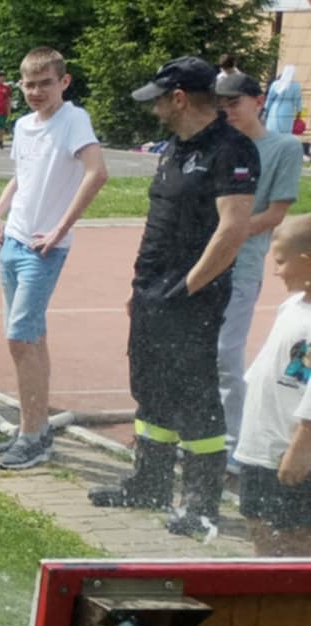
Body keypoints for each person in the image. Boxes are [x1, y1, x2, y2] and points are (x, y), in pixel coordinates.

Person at [88, 57, 257, 539]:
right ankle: (150, 483)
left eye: (159, 98)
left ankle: (201, 504)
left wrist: (188, 288)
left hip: (192, 296)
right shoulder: (174, 148)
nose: (154, 107)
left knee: (196, 397)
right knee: (152, 388)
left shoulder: (231, 149)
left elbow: (232, 230)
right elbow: (160, 223)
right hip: (152, 291)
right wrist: (141, 289)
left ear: (179, 98)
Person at [0, 48, 109, 471]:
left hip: (43, 248)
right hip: (14, 240)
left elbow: (97, 172)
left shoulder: (73, 120)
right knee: (31, 337)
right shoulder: (23, 125)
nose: (36, 92)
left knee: (20, 338)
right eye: (29, 85)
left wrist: (60, 228)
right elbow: (22, 176)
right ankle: (35, 428)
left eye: (45, 84)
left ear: (63, 82)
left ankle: (32, 436)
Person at [216, 71, 302, 469]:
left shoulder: (283, 148)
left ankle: (234, 444)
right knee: (195, 352)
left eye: (234, 103)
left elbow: (275, 214)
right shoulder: (218, 144)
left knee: (225, 354)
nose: (228, 112)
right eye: (222, 106)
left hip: (242, 264)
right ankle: (201, 435)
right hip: (201, 262)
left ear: (259, 101)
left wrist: (229, 233)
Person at [233, 216, 311, 555]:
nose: (276, 271)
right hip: (260, 446)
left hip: (289, 451)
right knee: (260, 527)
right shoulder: (292, 306)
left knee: (294, 538)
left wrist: (300, 449)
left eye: (281, 262)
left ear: (307, 261)